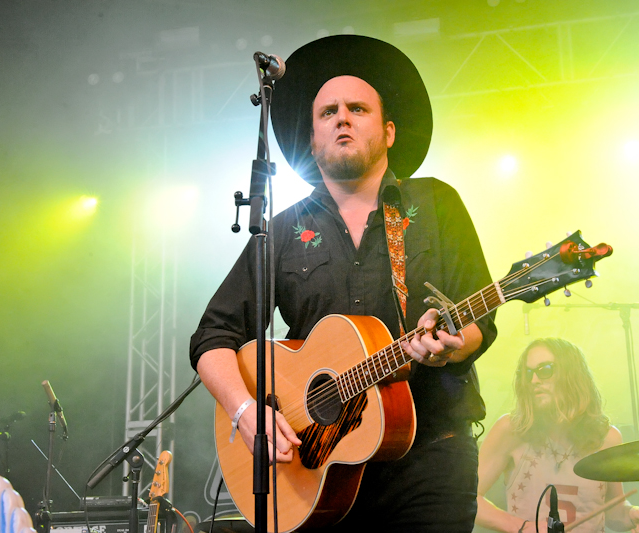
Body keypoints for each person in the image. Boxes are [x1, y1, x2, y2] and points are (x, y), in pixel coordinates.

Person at [190, 35, 497, 532]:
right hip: (316, 471)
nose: (342, 118)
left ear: (390, 131)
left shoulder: (436, 204)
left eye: (358, 108)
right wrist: (245, 410)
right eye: (327, 112)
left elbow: (480, 315)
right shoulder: (283, 229)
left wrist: (455, 346)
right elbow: (213, 337)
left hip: (429, 459)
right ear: (312, 139)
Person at [475, 338, 639, 533]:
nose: (534, 381)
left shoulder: (607, 438)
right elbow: (467, 497)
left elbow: (613, 511)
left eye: (544, 370)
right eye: (527, 373)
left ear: (572, 376)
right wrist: (521, 527)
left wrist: (631, 515)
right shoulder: (512, 429)